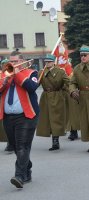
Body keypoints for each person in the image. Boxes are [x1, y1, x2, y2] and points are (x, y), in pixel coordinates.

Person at [0, 50, 39, 189]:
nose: (12, 64)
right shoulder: (5, 74)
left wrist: (16, 73)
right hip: (8, 117)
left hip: (26, 116)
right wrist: (4, 81)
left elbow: (32, 87)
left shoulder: (31, 73)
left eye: (15, 61)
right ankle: (27, 168)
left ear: (22, 62)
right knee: (16, 147)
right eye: (11, 61)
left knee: (22, 146)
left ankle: (19, 176)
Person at [36, 54, 69, 151]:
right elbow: (36, 84)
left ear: (54, 62)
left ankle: (55, 140)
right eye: (46, 62)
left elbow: (68, 82)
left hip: (57, 96)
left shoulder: (60, 72)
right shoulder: (41, 72)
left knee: (56, 119)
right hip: (45, 97)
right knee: (47, 120)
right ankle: (52, 137)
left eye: (49, 62)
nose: (47, 63)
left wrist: (72, 91)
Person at [0, 59, 15, 153]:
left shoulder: (10, 74)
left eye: (6, 65)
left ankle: (10, 142)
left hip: (6, 100)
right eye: (3, 65)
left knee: (8, 123)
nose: (5, 67)